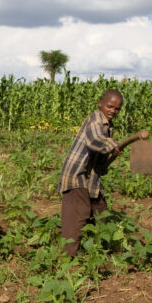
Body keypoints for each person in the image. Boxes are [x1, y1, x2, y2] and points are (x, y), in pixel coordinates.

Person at [58, 89, 122, 257]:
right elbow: (95, 140)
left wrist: (106, 158)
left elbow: (98, 153)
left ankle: (99, 250)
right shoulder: (95, 120)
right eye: (109, 106)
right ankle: (68, 258)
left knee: (101, 210)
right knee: (78, 213)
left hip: (91, 177)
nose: (113, 111)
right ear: (100, 104)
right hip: (76, 175)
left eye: (117, 109)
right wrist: (111, 145)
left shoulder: (108, 127)